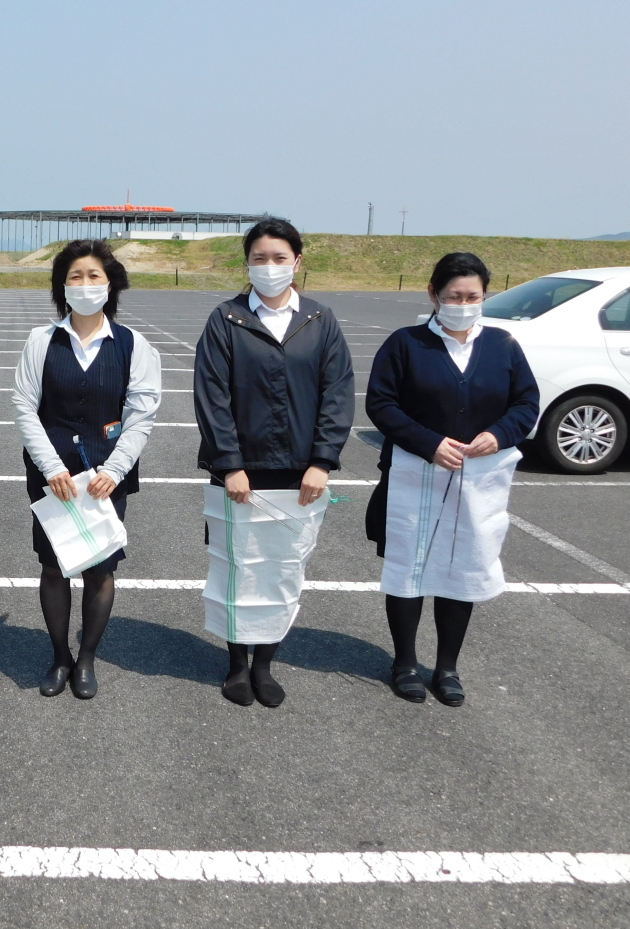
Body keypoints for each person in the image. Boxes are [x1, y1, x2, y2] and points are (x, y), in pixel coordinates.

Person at [365, 252, 539, 706]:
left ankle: (446, 666)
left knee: (461, 567)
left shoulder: (502, 346)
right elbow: (381, 404)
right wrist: (428, 442)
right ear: (434, 295)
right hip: (414, 475)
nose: (463, 303)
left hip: (478, 480)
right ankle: (403, 662)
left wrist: (497, 435)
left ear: (485, 295)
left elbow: (526, 404)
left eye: (472, 296)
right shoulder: (406, 344)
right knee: (409, 568)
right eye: (453, 295)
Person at [194, 217, 354, 707]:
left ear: (297, 262)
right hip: (244, 470)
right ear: (247, 263)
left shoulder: (320, 321)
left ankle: (266, 664)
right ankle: (237, 664)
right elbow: (212, 395)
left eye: (279, 258)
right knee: (239, 566)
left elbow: (337, 393)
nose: (269, 267)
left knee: (284, 567)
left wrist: (323, 461)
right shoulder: (227, 320)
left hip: (302, 473)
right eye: (259, 258)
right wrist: (230, 464)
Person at [12, 240, 162, 698]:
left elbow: (141, 415)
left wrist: (114, 470)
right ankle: (60, 657)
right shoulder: (41, 341)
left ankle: (87, 659)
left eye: (94, 275)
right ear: (62, 285)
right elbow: (23, 406)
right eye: (75, 276)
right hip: (50, 477)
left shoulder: (134, 346)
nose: (85, 284)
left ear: (111, 283)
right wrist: (51, 466)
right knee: (55, 567)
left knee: (99, 569)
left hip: (104, 480)